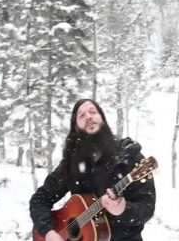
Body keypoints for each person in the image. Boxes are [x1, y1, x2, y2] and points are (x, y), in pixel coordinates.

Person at [30, 99, 156, 241]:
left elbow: (147, 207)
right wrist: (48, 232)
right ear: (76, 128)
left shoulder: (129, 156)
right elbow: (39, 200)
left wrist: (122, 209)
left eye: (92, 112)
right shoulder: (72, 164)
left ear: (102, 118)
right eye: (81, 115)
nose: (88, 116)